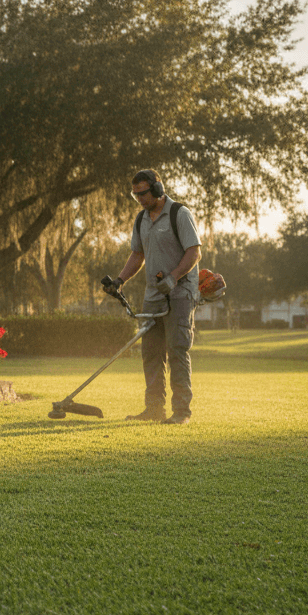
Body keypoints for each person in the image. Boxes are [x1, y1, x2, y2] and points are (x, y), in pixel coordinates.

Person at [107, 169, 201, 424]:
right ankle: (153, 409)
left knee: (177, 350)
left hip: (180, 293)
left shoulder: (179, 214)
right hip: (153, 295)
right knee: (150, 353)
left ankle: (181, 412)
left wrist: (173, 277)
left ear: (158, 189)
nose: (139, 199)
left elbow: (194, 253)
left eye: (144, 193)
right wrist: (119, 281)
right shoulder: (141, 220)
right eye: (135, 194)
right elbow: (138, 255)